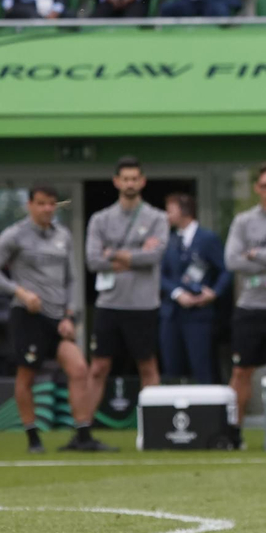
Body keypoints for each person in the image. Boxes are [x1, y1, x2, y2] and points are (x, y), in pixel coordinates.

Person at [0, 185, 101, 453]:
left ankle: (83, 435)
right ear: (30, 205)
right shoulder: (15, 235)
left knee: (79, 368)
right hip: (28, 316)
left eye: (51, 204)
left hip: (59, 318)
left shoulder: (63, 235)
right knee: (27, 376)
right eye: (41, 204)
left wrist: (69, 314)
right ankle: (33, 437)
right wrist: (20, 293)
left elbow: (70, 278)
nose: (47, 209)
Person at [83, 156, 166, 411]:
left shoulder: (157, 218)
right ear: (117, 182)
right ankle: (83, 430)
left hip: (143, 305)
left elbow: (154, 256)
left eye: (134, 178)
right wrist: (135, 256)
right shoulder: (100, 219)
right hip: (109, 304)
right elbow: (93, 261)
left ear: (142, 182)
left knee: (148, 366)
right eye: (125, 179)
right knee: (98, 367)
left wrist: (113, 253)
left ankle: (154, 427)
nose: (130, 183)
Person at [225, 162, 266, 448]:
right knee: (241, 372)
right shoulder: (243, 221)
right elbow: (232, 260)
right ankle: (233, 433)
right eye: (264, 186)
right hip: (250, 309)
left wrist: (255, 254)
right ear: (256, 189)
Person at [159, 193, 228, 385]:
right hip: (172, 315)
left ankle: (205, 414)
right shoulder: (169, 240)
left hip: (199, 315)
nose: (166, 216)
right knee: (172, 369)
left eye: (170, 210)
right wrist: (177, 293)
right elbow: (159, 275)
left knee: (202, 367)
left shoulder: (207, 238)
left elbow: (224, 270)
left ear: (184, 211)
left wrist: (213, 293)